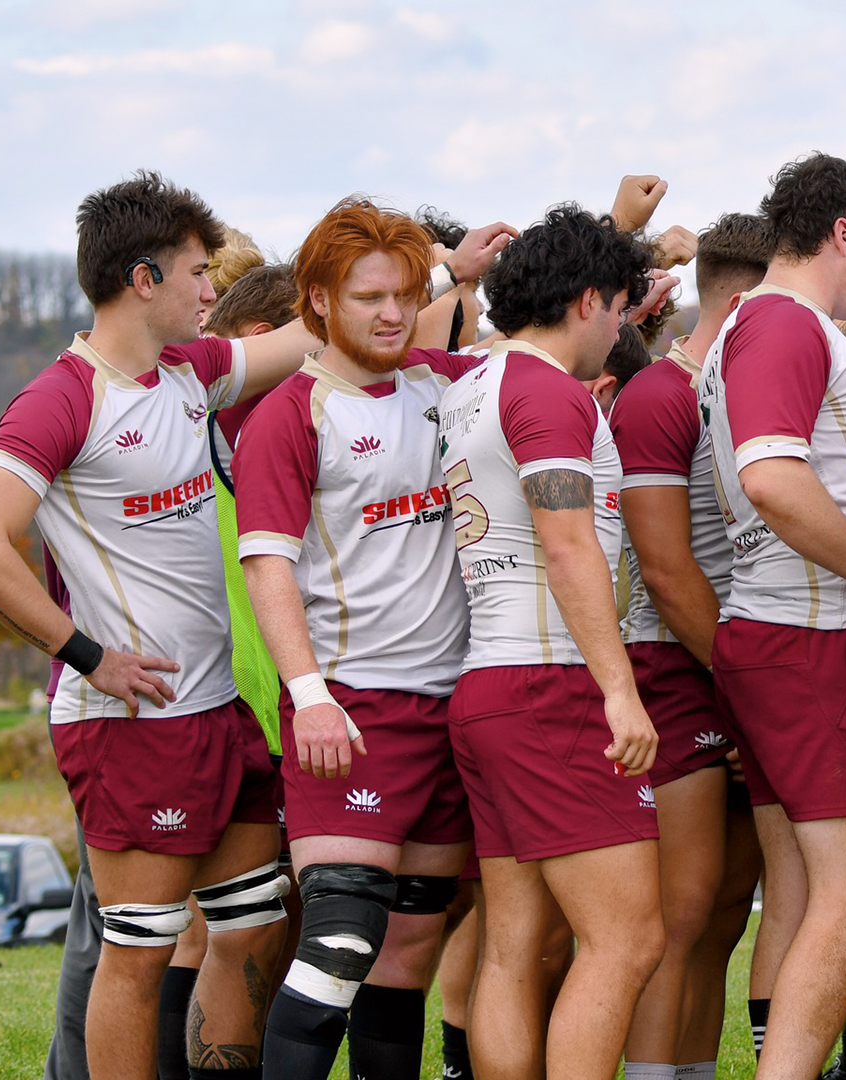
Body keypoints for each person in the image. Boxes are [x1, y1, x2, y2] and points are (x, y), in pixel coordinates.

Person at [0, 171, 345, 1080]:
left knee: (253, 924)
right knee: (136, 953)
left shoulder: (190, 374)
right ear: (142, 280)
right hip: (132, 726)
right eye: (197, 273)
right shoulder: (61, 399)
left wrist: (440, 266)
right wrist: (83, 654)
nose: (211, 292)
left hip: (217, 713)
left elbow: (302, 337)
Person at [234, 199, 512, 1080]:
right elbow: (266, 567)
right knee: (339, 949)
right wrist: (308, 694)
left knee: (407, 960)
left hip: (454, 710)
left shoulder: (446, 383)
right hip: (351, 711)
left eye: (403, 293)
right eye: (367, 298)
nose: (391, 313)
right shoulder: (292, 413)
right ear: (317, 301)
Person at [438, 203, 675, 1079]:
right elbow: (567, 542)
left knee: (515, 943)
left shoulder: (472, 382)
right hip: (552, 684)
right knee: (627, 939)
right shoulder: (543, 389)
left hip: (492, 684)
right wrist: (620, 688)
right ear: (587, 301)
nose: (619, 326)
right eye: (616, 309)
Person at [696, 152, 846, 1080]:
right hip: (819, 637)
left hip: (792, 635)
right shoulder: (783, 323)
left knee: (819, 891)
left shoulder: (773, 329)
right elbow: (773, 476)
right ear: (838, 233)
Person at [612, 211, 773, 1080]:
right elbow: (669, 574)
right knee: (675, 920)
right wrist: (749, 688)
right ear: (745, 296)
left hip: (739, 672)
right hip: (678, 670)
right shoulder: (660, 396)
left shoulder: (747, 388)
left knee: (719, 922)